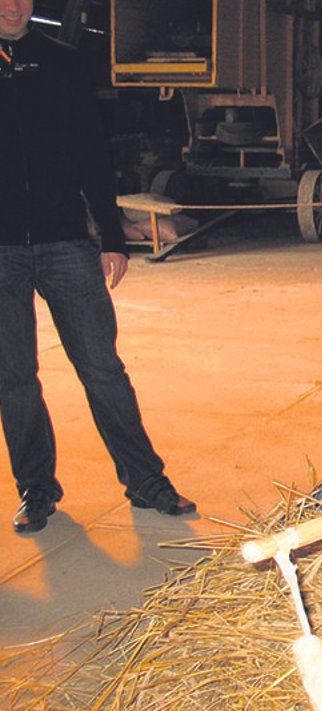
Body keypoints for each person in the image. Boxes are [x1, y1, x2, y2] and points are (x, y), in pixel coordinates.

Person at [0, 0, 195, 534]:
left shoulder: (61, 61)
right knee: (13, 378)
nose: (13, 7)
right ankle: (37, 490)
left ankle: (146, 482)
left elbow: (91, 151)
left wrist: (112, 236)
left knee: (103, 370)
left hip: (66, 242)